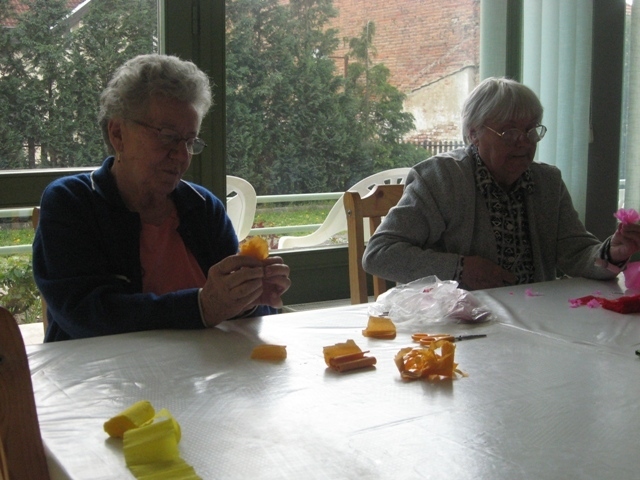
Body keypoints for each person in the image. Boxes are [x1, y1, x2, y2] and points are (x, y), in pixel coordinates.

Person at [33, 54, 291, 342]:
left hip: (200, 369)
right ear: (118, 134)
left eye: (190, 141)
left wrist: (249, 299)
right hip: (102, 369)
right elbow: (85, 316)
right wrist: (201, 307)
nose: (181, 156)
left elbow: (237, 317)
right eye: (167, 136)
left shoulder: (203, 207)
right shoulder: (72, 202)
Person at [363, 77, 640, 291]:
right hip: (457, 325)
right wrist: (459, 269)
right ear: (474, 133)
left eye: (531, 130)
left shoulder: (547, 182)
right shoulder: (441, 178)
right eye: (509, 132)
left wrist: (611, 253)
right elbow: (380, 254)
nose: (524, 142)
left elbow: (576, 253)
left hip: (535, 319)